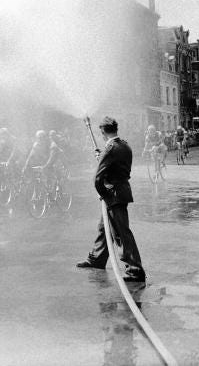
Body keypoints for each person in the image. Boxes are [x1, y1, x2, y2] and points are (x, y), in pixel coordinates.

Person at [76, 116, 146, 283]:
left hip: (113, 194)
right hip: (121, 191)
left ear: (102, 132)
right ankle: (97, 259)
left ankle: (135, 270)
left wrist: (103, 193)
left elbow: (97, 178)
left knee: (121, 233)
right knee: (103, 228)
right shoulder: (123, 145)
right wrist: (102, 156)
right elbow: (117, 165)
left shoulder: (110, 149)